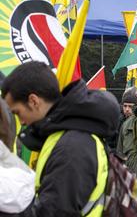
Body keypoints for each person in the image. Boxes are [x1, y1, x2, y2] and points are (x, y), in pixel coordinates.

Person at [1, 61, 120, 216]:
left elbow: (55, 211)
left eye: (17, 112)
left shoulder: (71, 146)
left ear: (33, 101)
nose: (21, 122)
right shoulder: (69, 135)